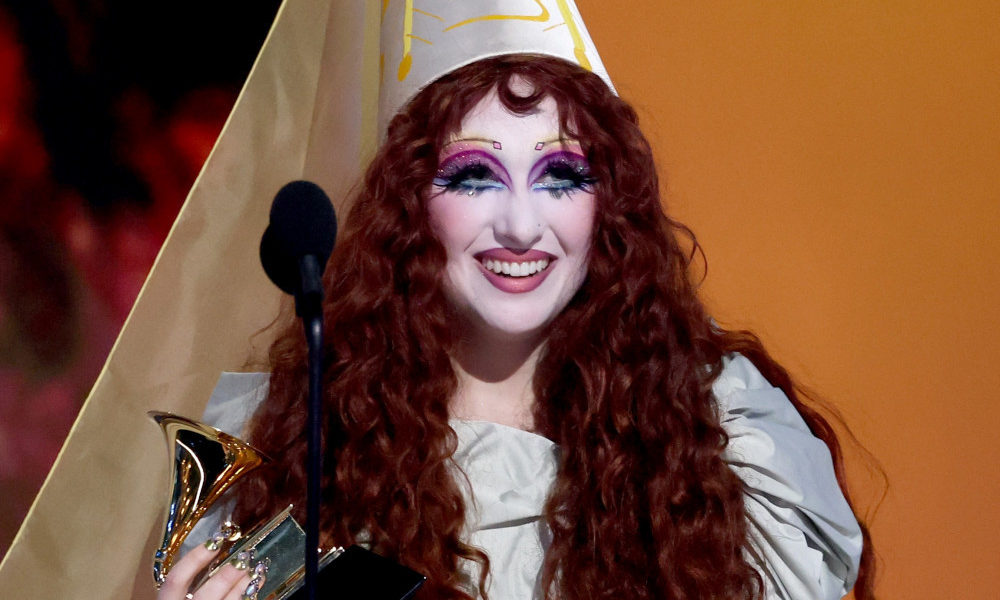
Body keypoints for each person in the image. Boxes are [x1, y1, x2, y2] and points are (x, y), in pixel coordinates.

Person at [155, 54, 874, 600]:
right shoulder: (292, 445)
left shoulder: (706, 432)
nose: (522, 227)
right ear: (411, 205)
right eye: (475, 175)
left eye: (562, 175)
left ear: (610, 209)